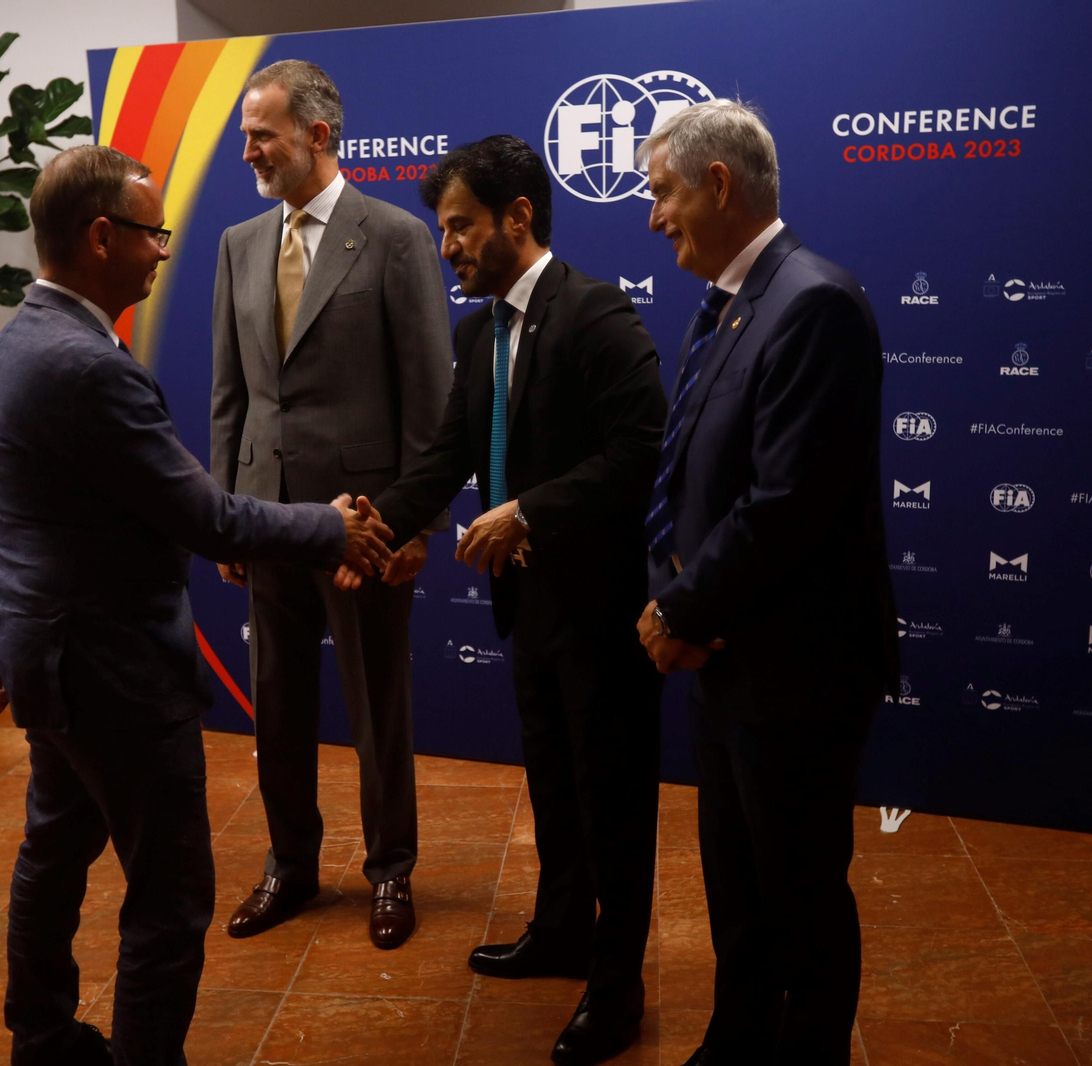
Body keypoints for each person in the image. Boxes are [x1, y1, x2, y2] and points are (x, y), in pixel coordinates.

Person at [0, 145, 394, 1066]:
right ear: (101, 236)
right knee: (170, 897)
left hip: (49, 659)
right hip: (115, 674)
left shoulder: (9, 349)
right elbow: (204, 515)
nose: (162, 252)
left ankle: (38, 1040)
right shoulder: (88, 367)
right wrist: (330, 528)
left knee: (52, 852)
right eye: (152, 233)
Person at [359, 135, 666, 1066]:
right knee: (555, 788)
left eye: (459, 227)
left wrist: (528, 510)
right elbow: (449, 451)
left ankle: (617, 988)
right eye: (443, 228)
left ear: (518, 218)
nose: (446, 246)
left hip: (600, 608)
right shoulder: (478, 328)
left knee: (612, 803)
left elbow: (643, 449)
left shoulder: (597, 313)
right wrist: (375, 526)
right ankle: (563, 934)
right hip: (525, 610)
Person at [633, 101, 897, 1065]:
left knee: (799, 894)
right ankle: (737, 1036)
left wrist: (680, 609)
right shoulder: (731, 302)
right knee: (737, 886)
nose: (653, 218)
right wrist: (678, 601)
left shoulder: (813, 301)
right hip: (727, 662)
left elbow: (785, 503)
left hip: (796, 671)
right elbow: (693, 477)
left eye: (662, 194)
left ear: (716, 185)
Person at [210, 59, 452, 950]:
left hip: (366, 530)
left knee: (377, 704)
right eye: (243, 135)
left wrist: (414, 523)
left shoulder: (392, 235)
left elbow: (428, 392)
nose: (248, 151)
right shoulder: (238, 244)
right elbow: (230, 395)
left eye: (261, 134)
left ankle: (391, 870)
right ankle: (291, 866)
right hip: (269, 519)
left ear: (317, 134)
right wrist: (227, 511)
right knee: (277, 703)